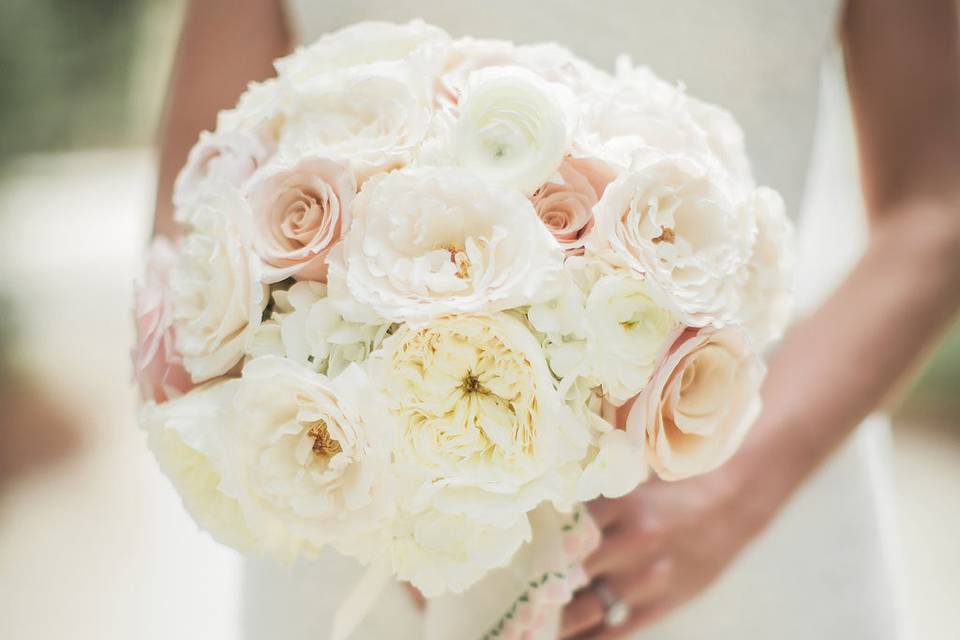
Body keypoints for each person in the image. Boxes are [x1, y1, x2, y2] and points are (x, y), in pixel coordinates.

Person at [153, 1, 960, 638]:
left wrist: (734, 490)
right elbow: (196, 203)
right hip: (351, 541)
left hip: (736, 506)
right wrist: (390, 501)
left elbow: (940, 201)